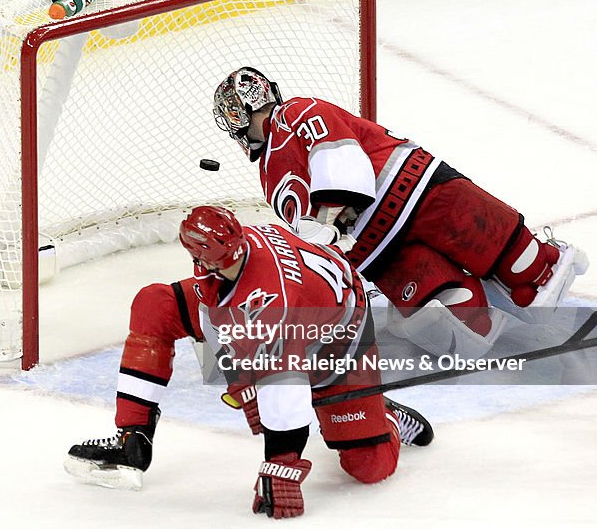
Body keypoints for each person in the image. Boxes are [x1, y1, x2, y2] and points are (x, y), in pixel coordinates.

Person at [65, 206, 433, 519]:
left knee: (369, 467)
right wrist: (240, 378)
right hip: (292, 316)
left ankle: (386, 414)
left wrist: (281, 463)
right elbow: (217, 310)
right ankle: (134, 436)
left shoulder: (274, 303)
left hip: (340, 344)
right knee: (155, 304)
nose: (230, 263)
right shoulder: (232, 257)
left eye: (232, 257)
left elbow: (284, 397)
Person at [211, 67, 589, 358]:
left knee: (430, 287)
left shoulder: (266, 176)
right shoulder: (297, 109)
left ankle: (469, 322)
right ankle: (536, 275)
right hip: (411, 189)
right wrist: (332, 213)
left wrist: (331, 239)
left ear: (236, 121)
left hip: (366, 247)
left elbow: (308, 233)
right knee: (494, 239)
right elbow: (338, 156)